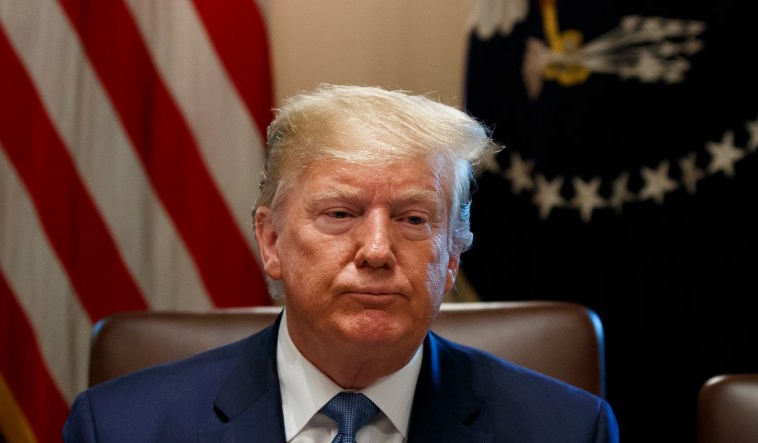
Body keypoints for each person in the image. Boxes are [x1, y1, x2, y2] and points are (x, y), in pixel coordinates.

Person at [63, 84, 620, 442]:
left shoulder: (567, 430)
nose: (377, 250)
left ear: (452, 255)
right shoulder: (120, 428)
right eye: (339, 213)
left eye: (413, 219)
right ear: (271, 241)